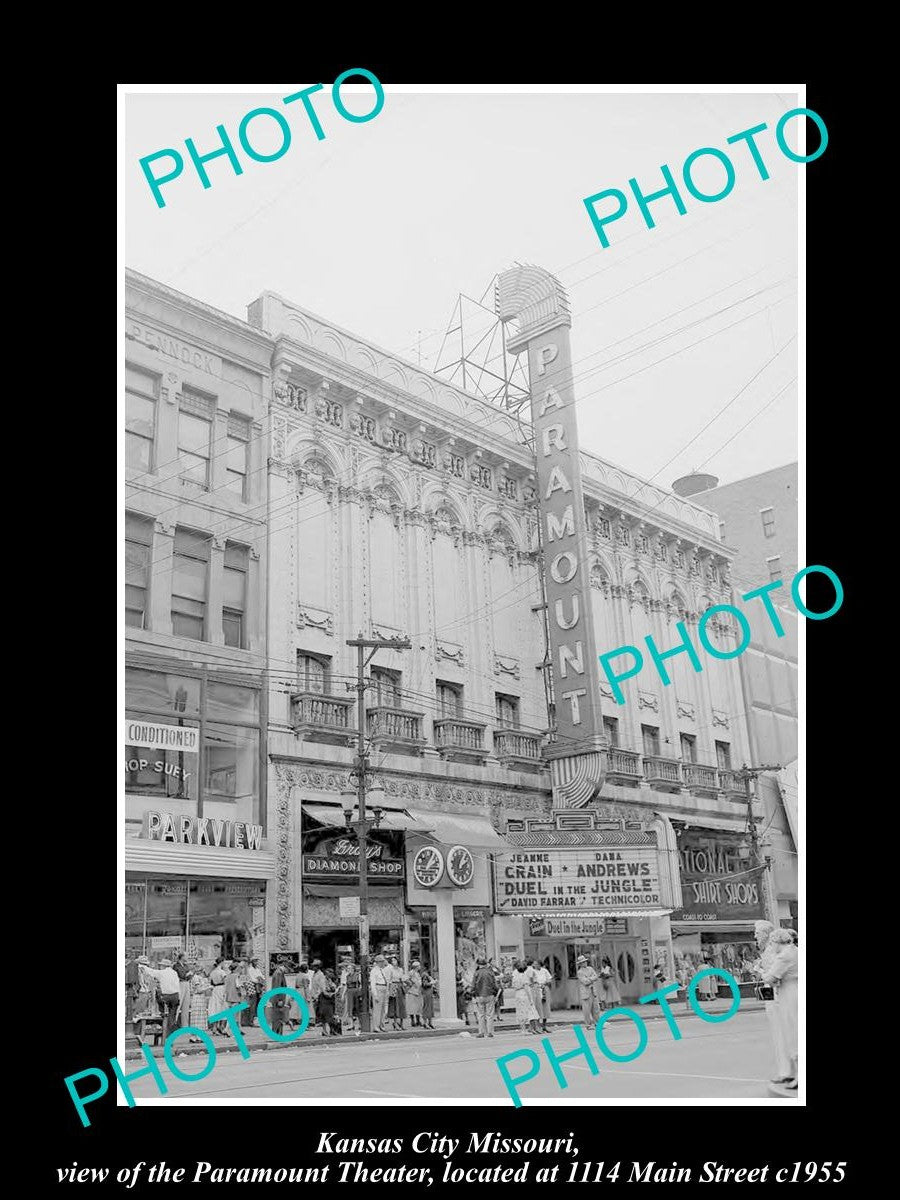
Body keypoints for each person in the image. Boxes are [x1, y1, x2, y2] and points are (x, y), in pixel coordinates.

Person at [750, 920, 792, 1083]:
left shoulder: (771, 952)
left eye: (758, 933)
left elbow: (773, 976)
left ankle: (786, 1071)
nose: (755, 936)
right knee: (779, 1032)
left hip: (776, 995)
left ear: (767, 934)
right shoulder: (768, 951)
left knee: (780, 1032)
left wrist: (759, 970)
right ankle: (786, 1069)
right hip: (773, 995)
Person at [762, 927, 799, 1089]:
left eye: (772, 942)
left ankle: (798, 1076)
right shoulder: (796, 951)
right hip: (796, 989)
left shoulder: (784, 956)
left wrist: (760, 973)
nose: (772, 946)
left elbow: (771, 978)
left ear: (777, 941)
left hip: (789, 995)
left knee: (792, 1033)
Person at [140, 958, 182, 1038]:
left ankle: (163, 1020)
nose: (160, 967)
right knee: (172, 1015)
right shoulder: (174, 973)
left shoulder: (162, 973)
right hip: (175, 996)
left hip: (166, 996)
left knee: (164, 1012)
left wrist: (142, 966)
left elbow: (151, 972)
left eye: (161, 965)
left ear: (164, 966)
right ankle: (170, 1034)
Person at [471, 957, 501, 1038]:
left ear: (478, 964)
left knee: (480, 1015)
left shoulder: (476, 973)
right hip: (489, 995)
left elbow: (473, 985)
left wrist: (473, 994)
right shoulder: (490, 972)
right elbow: (495, 985)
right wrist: (495, 993)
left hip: (479, 995)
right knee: (490, 1014)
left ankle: (481, 1032)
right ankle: (490, 1032)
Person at [511, 959, 539, 1034]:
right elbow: (526, 988)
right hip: (524, 994)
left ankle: (522, 1029)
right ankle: (530, 1028)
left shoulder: (515, 977)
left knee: (520, 1011)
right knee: (527, 1011)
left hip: (517, 994)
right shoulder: (524, 977)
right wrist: (531, 999)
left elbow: (513, 986)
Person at [188, 967, 212, 1040]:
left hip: (200, 998)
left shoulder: (198, 978)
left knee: (199, 1016)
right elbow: (198, 990)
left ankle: (196, 1036)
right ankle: (196, 1035)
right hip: (197, 998)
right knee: (198, 1016)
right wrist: (208, 987)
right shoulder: (196, 978)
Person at [576, 955, 600, 1027]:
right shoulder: (580, 972)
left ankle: (597, 1023)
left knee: (596, 1008)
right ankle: (588, 1024)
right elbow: (585, 982)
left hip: (593, 991)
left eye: (585, 961)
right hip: (586, 992)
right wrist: (591, 979)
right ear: (580, 964)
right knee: (586, 1010)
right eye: (582, 962)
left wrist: (589, 978)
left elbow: (596, 976)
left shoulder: (590, 968)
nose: (584, 963)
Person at [208, 959, 230, 1036]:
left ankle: (214, 1027)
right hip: (221, 989)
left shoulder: (213, 972)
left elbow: (211, 982)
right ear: (221, 963)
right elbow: (226, 982)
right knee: (223, 1008)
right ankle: (222, 1026)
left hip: (215, 989)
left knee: (215, 1008)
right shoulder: (222, 972)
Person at [173, 952, 193, 1031]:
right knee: (179, 1003)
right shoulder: (176, 965)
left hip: (186, 983)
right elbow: (181, 975)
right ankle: (173, 1023)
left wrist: (188, 975)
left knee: (186, 1004)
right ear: (182, 957)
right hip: (180, 983)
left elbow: (189, 976)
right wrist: (187, 974)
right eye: (186, 956)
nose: (187, 957)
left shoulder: (185, 965)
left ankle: (185, 1025)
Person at [370, 954, 389, 1031]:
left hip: (383, 988)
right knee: (377, 1009)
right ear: (378, 962)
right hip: (378, 988)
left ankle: (382, 1025)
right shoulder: (374, 971)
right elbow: (373, 983)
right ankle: (376, 1026)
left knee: (383, 1010)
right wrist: (375, 995)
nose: (383, 963)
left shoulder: (382, 970)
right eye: (381, 961)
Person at [387, 955, 407, 1030]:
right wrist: (390, 990)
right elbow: (389, 979)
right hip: (393, 985)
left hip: (400, 985)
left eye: (394, 960)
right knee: (394, 1005)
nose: (393, 962)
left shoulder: (400, 969)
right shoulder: (390, 970)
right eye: (392, 961)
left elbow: (403, 978)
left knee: (401, 1004)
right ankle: (395, 1023)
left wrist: (404, 984)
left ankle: (401, 1023)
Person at [317, 968, 338, 1036]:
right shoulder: (322, 980)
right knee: (325, 1015)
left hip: (330, 999)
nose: (332, 974)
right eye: (330, 973)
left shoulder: (329, 980)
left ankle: (332, 1030)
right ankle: (324, 1030)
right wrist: (331, 993)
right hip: (324, 998)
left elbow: (333, 987)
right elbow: (324, 991)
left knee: (331, 1015)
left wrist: (333, 989)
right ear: (327, 973)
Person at [534, 959, 553, 1031]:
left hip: (544, 988)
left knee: (546, 1007)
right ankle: (538, 1025)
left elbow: (550, 979)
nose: (535, 965)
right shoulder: (533, 971)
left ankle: (544, 1025)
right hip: (537, 989)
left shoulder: (544, 971)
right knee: (538, 1007)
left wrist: (545, 983)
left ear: (539, 964)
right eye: (534, 964)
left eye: (536, 964)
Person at [246, 957, 266, 1026]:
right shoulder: (250, 970)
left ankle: (258, 1020)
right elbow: (252, 979)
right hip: (253, 987)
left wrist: (260, 979)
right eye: (255, 961)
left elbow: (262, 977)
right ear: (252, 962)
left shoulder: (257, 969)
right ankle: (251, 1021)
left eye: (257, 961)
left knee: (259, 1004)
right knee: (253, 1004)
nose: (256, 963)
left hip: (259, 987)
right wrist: (259, 979)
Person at [310, 960, 328, 1027]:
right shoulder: (314, 974)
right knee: (314, 1008)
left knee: (317, 1008)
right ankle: (314, 1021)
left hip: (317, 995)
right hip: (313, 994)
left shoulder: (321, 975)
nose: (313, 968)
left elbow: (321, 987)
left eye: (314, 966)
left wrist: (317, 995)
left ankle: (318, 1021)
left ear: (317, 967)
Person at [406, 960, 424, 1028]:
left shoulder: (418, 973)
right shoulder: (411, 973)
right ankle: (412, 1020)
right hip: (412, 991)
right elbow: (406, 979)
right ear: (416, 967)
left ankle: (418, 1020)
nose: (420, 967)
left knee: (418, 1007)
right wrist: (411, 984)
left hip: (418, 991)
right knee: (412, 1007)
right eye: (419, 966)